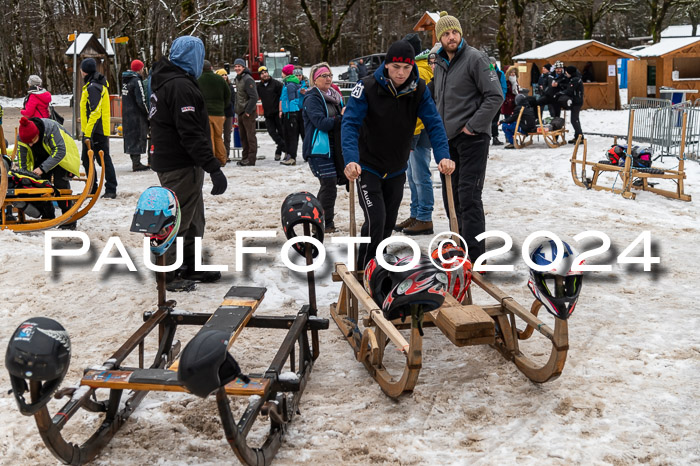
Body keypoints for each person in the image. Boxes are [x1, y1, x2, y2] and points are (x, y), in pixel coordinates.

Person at [342, 40, 455, 270]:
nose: (401, 73)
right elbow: (350, 124)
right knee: (377, 219)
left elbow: (434, 124)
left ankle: (377, 267)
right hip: (368, 165)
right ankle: (363, 269)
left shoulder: (419, 89)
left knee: (387, 224)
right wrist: (350, 159)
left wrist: (443, 155)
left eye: (406, 68)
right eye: (396, 67)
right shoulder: (367, 86)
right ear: (386, 66)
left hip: (396, 166)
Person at [149, 35, 228, 291]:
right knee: (177, 219)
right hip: (180, 163)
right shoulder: (180, 86)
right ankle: (168, 273)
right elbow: (190, 132)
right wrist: (213, 167)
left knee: (194, 218)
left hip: (181, 161)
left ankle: (190, 265)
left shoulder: (170, 81)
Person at [432, 11, 504, 262]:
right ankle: (459, 248)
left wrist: (473, 126)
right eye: (446, 33)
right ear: (439, 38)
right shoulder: (439, 63)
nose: (451, 37)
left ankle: (475, 257)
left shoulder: (475, 58)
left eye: (455, 32)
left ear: (461, 34)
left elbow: (495, 96)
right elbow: (437, 99)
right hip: (447, 140)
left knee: (469, 196)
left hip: (472, 138)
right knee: (450, 195)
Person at [395, 32, 436, 236]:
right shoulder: (416, 68)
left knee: (420, 175)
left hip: (419, 130)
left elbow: (418, 106)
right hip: (412, 130)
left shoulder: (422, 71)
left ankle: (424, 217)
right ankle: (415, 214)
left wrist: (411, 132)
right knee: (412, 175)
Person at [302, 62, 347, 233]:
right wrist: (341, 118)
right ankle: (323, 223)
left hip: (334, 147)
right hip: (319, 149)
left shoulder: (335, 96)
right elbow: (320, 122)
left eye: (330, 75)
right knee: (328, 184)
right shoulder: (312, 98)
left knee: (331, 185)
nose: (328, 79)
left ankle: (324, 221)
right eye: (324, 76)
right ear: (315, 79)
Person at [16, 117, 81, 226]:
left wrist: (42, 169)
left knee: (61, 184)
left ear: (38, 134)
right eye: (28, 143)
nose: (30, 145)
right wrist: (26, 177)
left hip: (63, 156)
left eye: (32, 141)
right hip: (41, 157)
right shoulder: (22, 138)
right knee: (39, 185)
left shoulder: (51, 128)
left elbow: (60, 151)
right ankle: (48, 214)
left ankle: (69, 218)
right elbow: (23, 162)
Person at [79, 58, 117, 199]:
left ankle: (110, 188)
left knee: (102, 159)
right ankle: (92, 187)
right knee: (88, 159)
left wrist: (88, 134)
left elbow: (95, 112)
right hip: (96, 129)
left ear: (84, 71)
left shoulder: (93, 87)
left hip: (96, 130)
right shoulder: (96, 84)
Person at [198, 60, 231, 166]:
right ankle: (222, 159)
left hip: (206, 113)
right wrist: (223, 106)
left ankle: (211, 160)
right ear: (211, 68)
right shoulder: (220, 79)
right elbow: (228, 94)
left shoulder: (198, 80)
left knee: (209, 137)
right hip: (220, 113)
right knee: (218, 137)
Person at [121, 59, 150, 172]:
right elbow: (141, 100)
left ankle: (135, 161)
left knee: (131, 137)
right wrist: (146, 112)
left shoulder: (125, 81)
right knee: (138, 137)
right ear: (140, 69)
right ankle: (137, 163)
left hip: (127, 114)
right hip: (136, 115)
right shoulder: (136, 81)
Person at [232, 58, 258, 166]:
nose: (237, 68)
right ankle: (245, 157)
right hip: (241, 112)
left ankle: (251, 159)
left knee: (250, 136)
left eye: (239, 66)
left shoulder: (248, 79)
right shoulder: (238, 79)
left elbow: (254, 97)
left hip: (248, 112)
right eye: (236, 66)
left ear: (243, 67)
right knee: (243, 136)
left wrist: (248, 111)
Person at [256, 65, 285, 160]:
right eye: (262, 73)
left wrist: (282, 109)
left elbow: (283, 97)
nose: (265, 75)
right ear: (260, 76)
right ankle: (285, 147)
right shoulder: (259, 87)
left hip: (278, 112)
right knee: (272, 132)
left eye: (266, 72)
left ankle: (279, 152)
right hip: (268, 114)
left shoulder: (276, 84)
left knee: (281, 132)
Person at [279, 64, 302, 166]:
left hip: (290, 113)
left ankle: (292, 157)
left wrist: (292, 113)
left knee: (292, 136)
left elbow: (293, 100)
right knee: (287, 136)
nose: (281, 73)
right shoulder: (287, 83)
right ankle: (289, 155)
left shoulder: (290, 85)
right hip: (287, 112)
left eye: (283, 72)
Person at [216, 69, 235, 159]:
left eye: (225, 75)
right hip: (218, 113)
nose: (224, 77)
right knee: (218, 134)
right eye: (222, 75)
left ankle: (226, 154)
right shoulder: (215, 87)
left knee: (227, 135)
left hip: (228, 113)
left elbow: (233, 100)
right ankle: (219, 153)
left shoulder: (230, 87)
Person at [563, 65, 584, 143]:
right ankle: (577, 136)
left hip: (577, 102)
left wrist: (561, 93)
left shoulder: (575, 80)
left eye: (567, 73)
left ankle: (580, 137)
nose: (566, 74)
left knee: (574, 120)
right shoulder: (573, 79)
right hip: (575, 101)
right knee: (575, 119)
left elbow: (570, 90)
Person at [488, 57, 506, 146]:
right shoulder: (484, 72)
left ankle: (495, 137)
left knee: (495, 120)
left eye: (492, 63)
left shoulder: (500, 74)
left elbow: (503, 87)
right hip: (486, 99)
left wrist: (502, 97)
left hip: (496, 100)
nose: (491, 65)